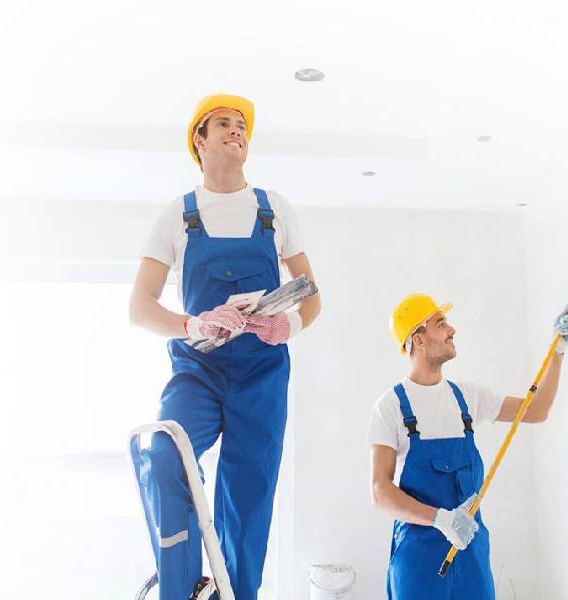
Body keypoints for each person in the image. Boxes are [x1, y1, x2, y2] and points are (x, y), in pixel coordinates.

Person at [129, 93, 320, 599]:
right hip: (198, 368)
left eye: (242, 125)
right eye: (223, 124)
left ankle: (233, 594)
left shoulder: (274, 210)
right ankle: (184, 584)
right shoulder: (177, 216)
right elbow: (141, 308)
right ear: (200, 139)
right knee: (166, 455)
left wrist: (290, 326)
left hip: (263, 371)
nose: (237, 130)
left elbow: (311, 297)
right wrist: (193, 323)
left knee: (248, 498)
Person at [369, 293, 568, 599]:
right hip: (419, 558)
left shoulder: (467, 398)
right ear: (419, 339)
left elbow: (536, 411)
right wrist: (441, 519)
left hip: (470, 554)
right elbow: (380, 492)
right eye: (440, 324)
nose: (452, 330)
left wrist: (558, 350)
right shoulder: (391, 407)